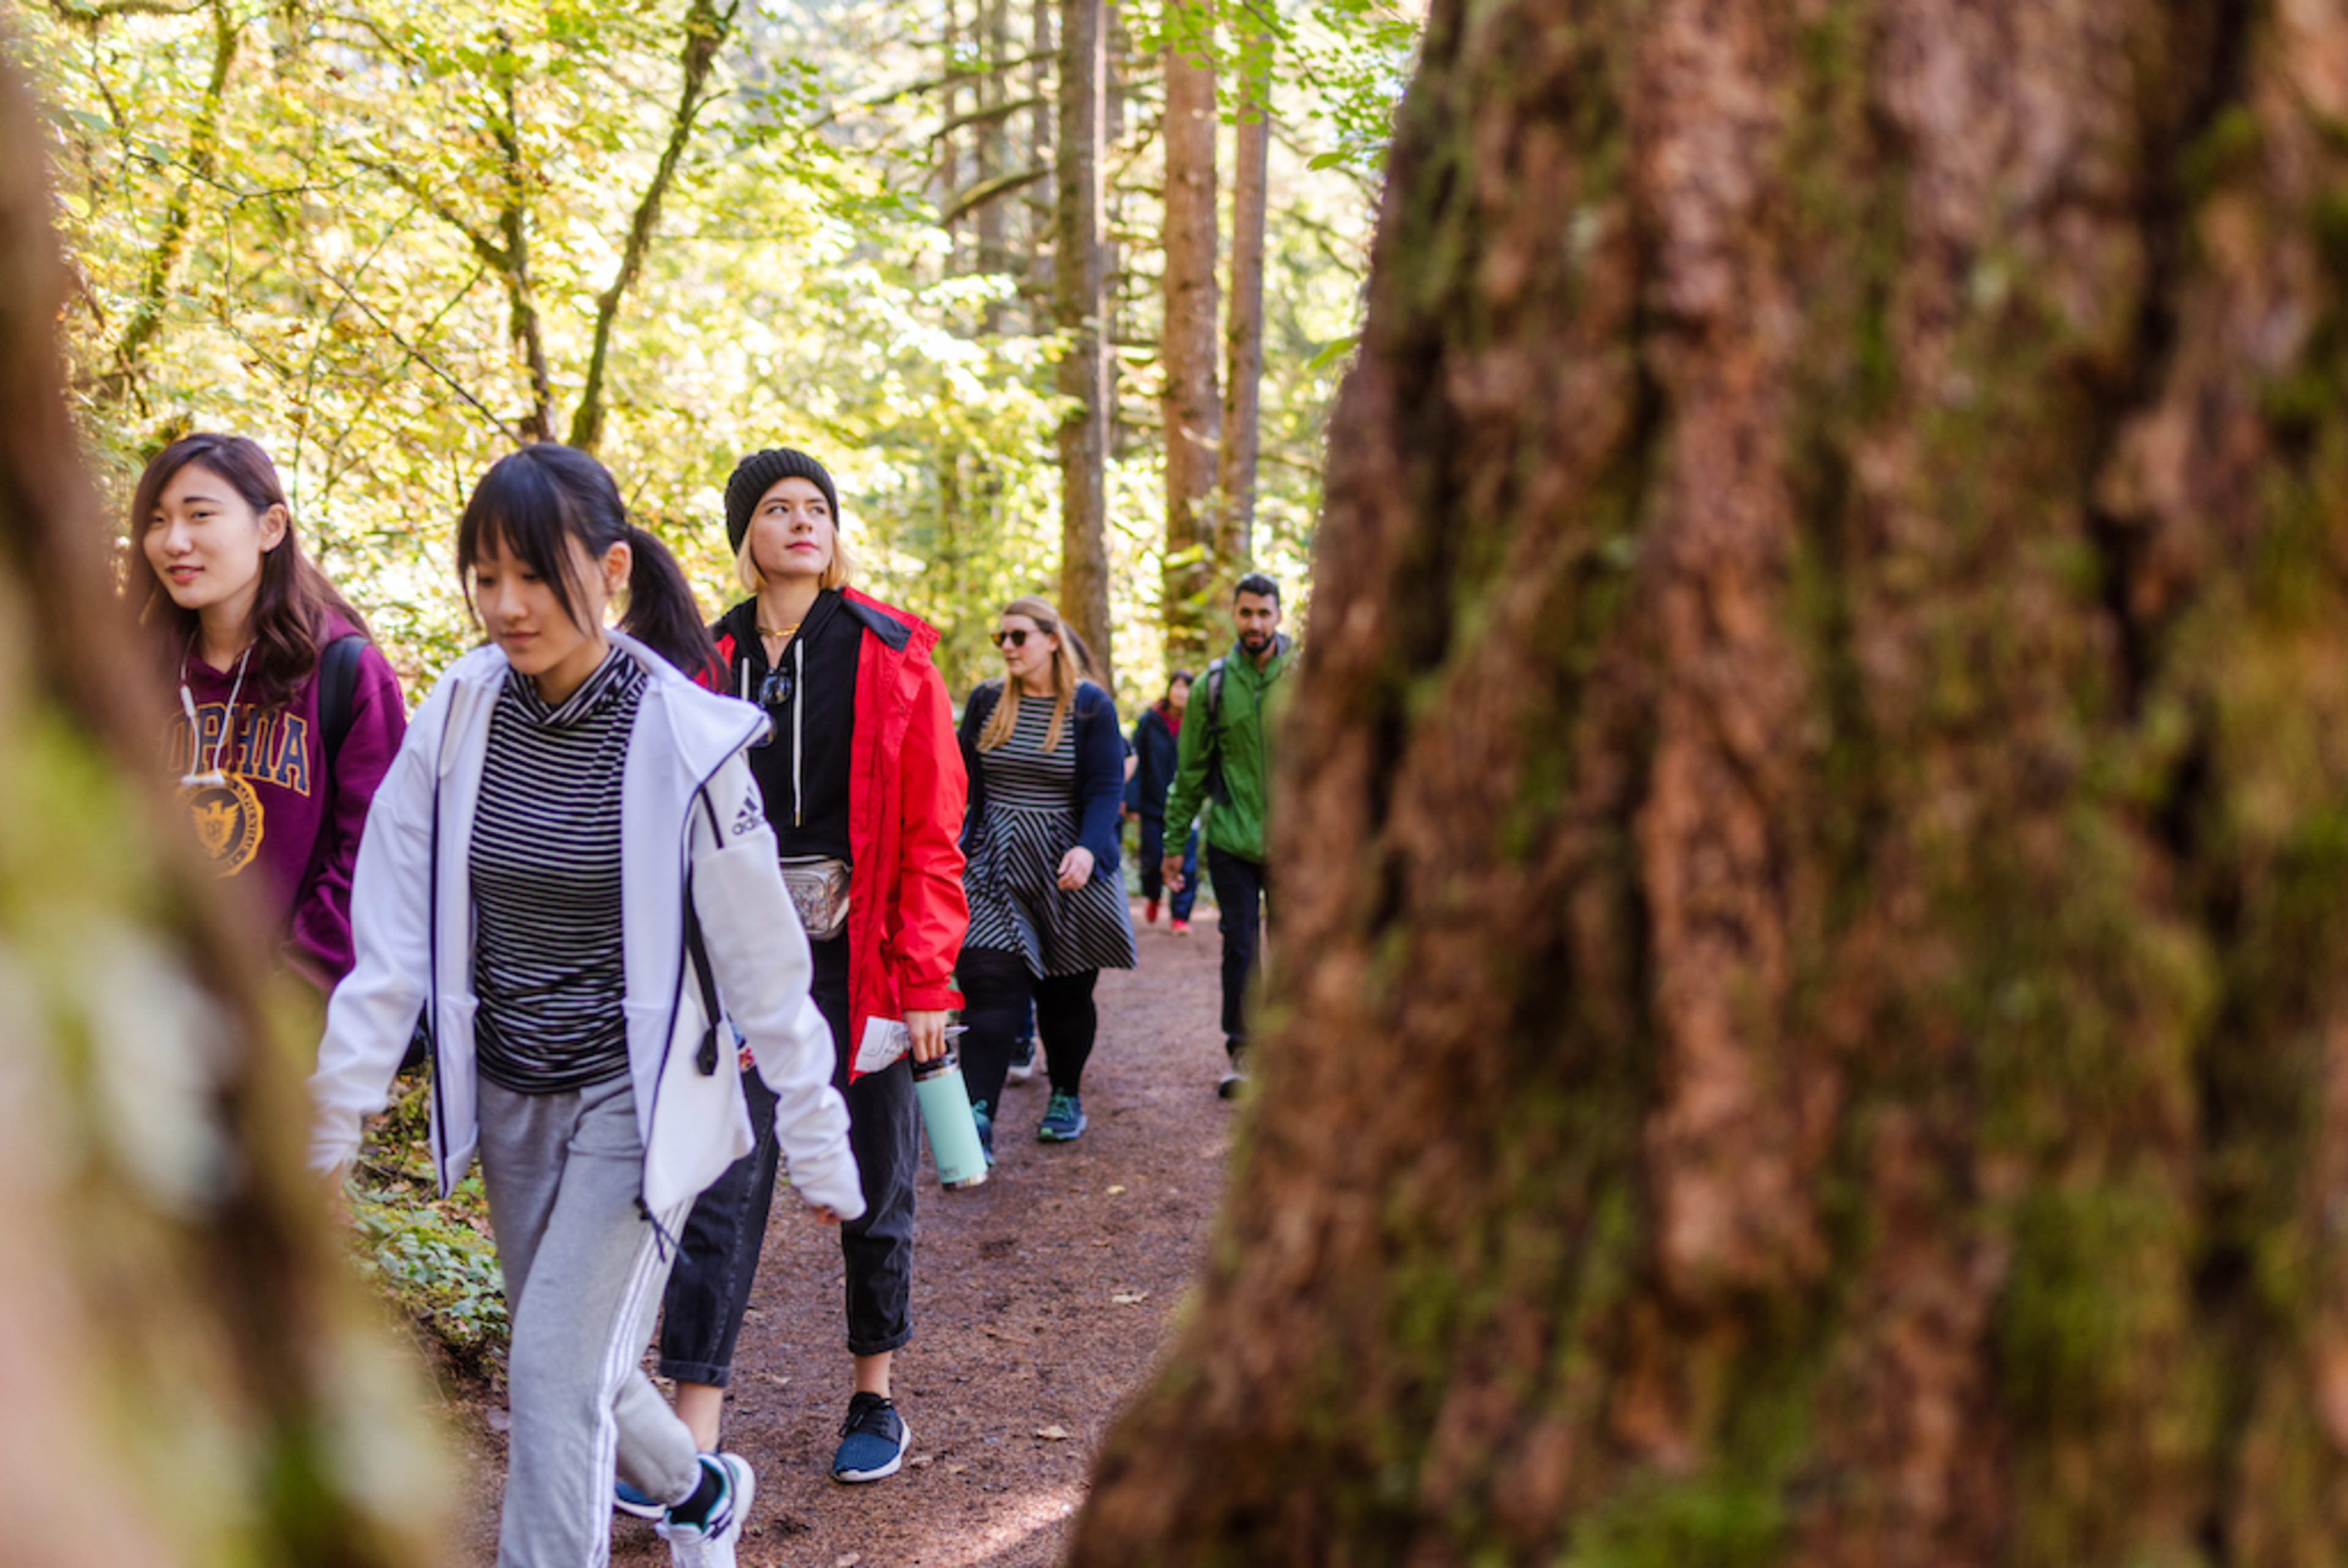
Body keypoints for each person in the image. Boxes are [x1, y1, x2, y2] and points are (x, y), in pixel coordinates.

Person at [307, 444, 863, 1568]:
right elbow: (393, 938)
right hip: (511, 1092)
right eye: (486, 577)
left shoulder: (684, 735)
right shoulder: (457, 714)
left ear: (610, 571)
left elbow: (763, 957)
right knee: (577, 1362)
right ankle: (700, 1492)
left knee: (554, 1374)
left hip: (637, 1103)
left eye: (536, 575)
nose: (508, 606)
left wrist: (815, 1128)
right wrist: (335, 1117)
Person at [643, 446, 967, 1492]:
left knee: (875, 1181)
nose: (801, 521)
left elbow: (933, 835)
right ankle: (693, 1434)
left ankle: (875, 1393)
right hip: (735, 967)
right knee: (720, 1187)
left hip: (861, 960)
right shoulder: (701, 661)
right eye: (777, 508)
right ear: (746, 535)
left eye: (816, 506)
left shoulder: (892, 653)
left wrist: (927, 981)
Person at [128, 432, 406, 993]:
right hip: (154, 1009)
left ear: (271, 527)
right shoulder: (135, 672)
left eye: (200, 515)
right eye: (156, 521)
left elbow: (375, 857)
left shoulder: (345, 671)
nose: (174, 541)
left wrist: (291, 994)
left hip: (298, 1015)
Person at [956, 596, 1137, 1150]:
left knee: (1065, 999)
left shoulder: (1089, 706)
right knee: (989, 987)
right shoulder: (987, 700)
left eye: (1019, 636)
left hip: (1066, 869)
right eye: (1001, 638)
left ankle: (1065, 1094)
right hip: (993, 865)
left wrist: (1088, 849)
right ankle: (976, 1118)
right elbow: (961, 779)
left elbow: (1107, 786)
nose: (1008, 647)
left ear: (1052, 639)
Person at [1161, 573, 1293, 1098]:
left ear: (1278, 615)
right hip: (1231, 839)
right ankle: (1244, 1051)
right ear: (1234, 615)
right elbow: (1190, 772)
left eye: (1264, 613)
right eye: (1246, 613)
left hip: (1297, 841)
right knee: (1240, 945)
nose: (1254, 623)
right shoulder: (1211, 687)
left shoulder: (1306, 676)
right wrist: (1174, 843)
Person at [1124, 670, 1199, 933]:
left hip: (1187, 804)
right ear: (1169, 690)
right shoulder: (1150, 721)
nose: (1181, 693)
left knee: (1186, 860)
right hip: (1152, 802)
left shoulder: (1198, 721)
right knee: (1152, 857)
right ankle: (1153, 895)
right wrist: (1132, 802)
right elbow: (1136, 761)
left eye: (1187, 688)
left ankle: (1180, 916)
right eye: (1177, 687)